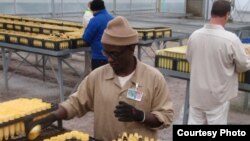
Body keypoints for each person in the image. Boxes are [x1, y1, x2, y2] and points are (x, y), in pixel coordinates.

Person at [28, 16, 174, 141]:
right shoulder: (97, 77)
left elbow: (165, 117)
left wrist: (140, 115)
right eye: (106, 53)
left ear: (131, 49)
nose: (109, 59)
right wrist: (54, 116)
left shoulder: (153, 79)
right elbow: (76, 103)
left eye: (115, 54)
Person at [186, 0, 250, 125]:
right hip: (217, 97)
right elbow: (243, 65)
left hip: (197, 95)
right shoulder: (231, 39)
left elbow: (189, 58)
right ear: (227, 15)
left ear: (211, 13)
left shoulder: (194, 36)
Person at [82, 0, 113, 70]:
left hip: (99, 56)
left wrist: (84, 35)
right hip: (112, 55)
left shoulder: (95, 20)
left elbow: (86, 38)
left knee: (98, 78)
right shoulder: (112, 19)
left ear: (94, 10)